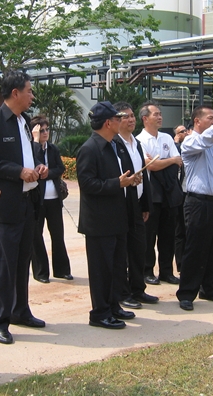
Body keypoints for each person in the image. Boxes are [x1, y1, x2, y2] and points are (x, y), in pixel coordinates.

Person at [0, 70, 48, 345]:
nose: (32, 96)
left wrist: (37, 167)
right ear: (15, 93)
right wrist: (18, 172)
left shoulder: (24, 121)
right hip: (4, 206)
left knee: (22, 262)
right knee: (5, 265)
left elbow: (25, 155)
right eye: (29, 91)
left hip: (27, 202)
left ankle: (20, 311)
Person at [76, 101, 139, 329]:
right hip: (99, 221)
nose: (121, 121)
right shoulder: (90, 149)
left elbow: (116, 178)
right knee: (101, 270)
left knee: (116, 267)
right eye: (117, 118)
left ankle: (113, 306)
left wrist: (128, 181)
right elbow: (87, 184)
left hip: (116, 217)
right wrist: (117, 183)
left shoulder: (113, 145)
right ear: (107, 123)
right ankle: (100, 313)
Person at [176, 105, 213, 311]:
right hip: (198, 203)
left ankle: (209, 288)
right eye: (210, 118)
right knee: (196, 248)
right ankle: (187, 293)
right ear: (197, 121)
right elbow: (203, 141)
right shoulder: (191, 141)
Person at [113, 102, 158, 309]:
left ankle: (138, 289)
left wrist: (146, 204)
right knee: (122, 252)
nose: (131, 120)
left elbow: (143, 175)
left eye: (132, 116)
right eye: (126, 116)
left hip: (137, 204)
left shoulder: (136, 143)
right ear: (116, 120)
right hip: (122, 204)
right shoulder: (114, 143)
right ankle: (123, 293)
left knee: (139, 249)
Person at [137, 102, 183, 285]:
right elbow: (150, 166)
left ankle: (166, 271)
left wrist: (163, 162)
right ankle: (147, 270)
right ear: (145, 118)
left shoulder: (167, 138)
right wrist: (169, 161)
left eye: (160, 114)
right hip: (151, 193)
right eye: (155, 114)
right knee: (149, 235)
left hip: (169, 192)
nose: (160, 117)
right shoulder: (139, 140)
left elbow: (178, 161)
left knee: (168, 235)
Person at [29, 115, 72, 284]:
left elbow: (60, 168)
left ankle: (62, 270)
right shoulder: (30, 148)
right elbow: (34, 162)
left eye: (47, 129)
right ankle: (41, 272)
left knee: (58, 235)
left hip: (54, 199)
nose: (45, 133)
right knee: (36, 236)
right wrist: (35, 142)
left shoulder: (53, 149)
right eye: (41, 130)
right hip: (37, 200)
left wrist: (48, 174)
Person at [173, 123, 188, 273]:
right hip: (180, 193)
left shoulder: (193, 145)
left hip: (192, 192)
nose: (185, 133)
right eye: (181, 132)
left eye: (185, 130)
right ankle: (180, 263)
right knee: (180, 230)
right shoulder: (176, 146)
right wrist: (176, 142)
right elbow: (177, 159)